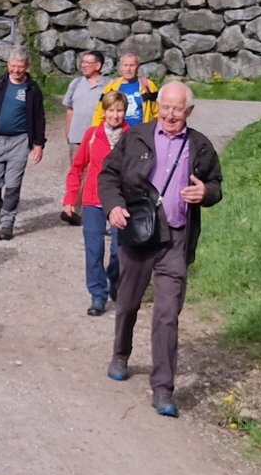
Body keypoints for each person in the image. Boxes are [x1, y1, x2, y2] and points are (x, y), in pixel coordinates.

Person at [98, 82, 223, 418]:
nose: (170, 114)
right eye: (165, 107)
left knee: (168, 314)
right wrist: (113, 206)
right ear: (158, 107)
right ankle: (121, 353)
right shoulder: (136, 137)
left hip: (176, 238)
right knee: (127, 302)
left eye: (177, 109)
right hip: (139, 233)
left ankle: (163, 388)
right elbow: (108, 175)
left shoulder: (200, 145)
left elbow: (216, 185)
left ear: (189, 111)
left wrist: (206, 194)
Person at [63, 91, 128, 317]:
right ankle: (98, 296)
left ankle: (115, 277)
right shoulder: (92, 135)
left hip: (120, 201)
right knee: (94, 250)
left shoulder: (132, 137)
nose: (115, 115)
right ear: (104, 111)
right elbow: (77, 167)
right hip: (93, 199)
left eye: (120, 110)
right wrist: (71, 198)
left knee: (119, 250)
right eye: (111, 110)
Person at [0, 46, 46, 241]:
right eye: (13, 66)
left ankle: (7, 223)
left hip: (20, 142)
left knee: (13, 185)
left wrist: (38, 144)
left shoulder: (32, 89)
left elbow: (39, 118)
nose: (16, 70)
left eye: (20, 66)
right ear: (8, 65)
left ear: (27, 66)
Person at [63, 51, 111, 161]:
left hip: (100, 139)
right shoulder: (75, 84)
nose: (83, 65)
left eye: (87, 63)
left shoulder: (109, 85)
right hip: (77, 139)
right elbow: (70, 110)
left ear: (98, 65)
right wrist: (68, 133)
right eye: (83, 62)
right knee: (77, 169)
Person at [92, 53, 158, 128]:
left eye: (131, 65)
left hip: (142, 131)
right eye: (125, 65)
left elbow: (156, 112)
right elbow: (99, 112)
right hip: (118, 131)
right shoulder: (111, 87)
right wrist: (95, 130)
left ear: (138, 68)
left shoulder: (147, 86)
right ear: (121, 68)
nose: (128, 69)